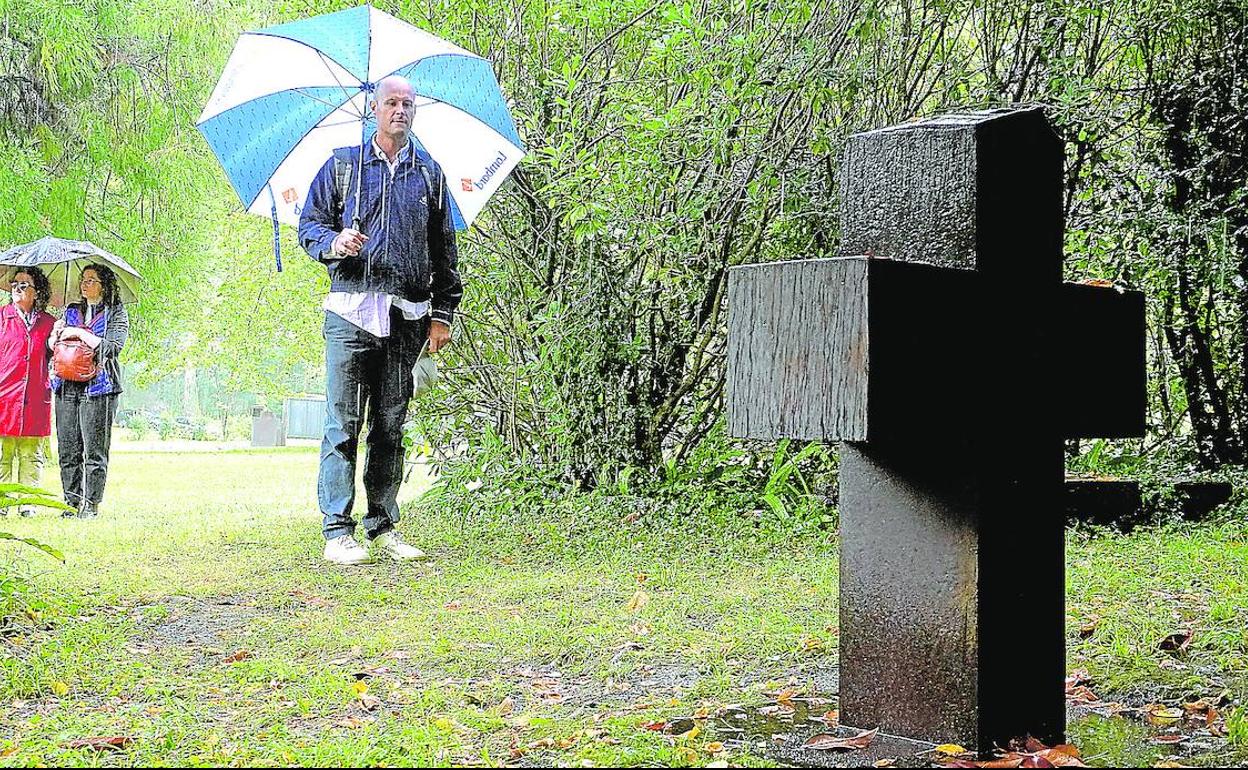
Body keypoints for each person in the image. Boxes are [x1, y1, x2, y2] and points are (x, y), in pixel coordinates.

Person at [298, 75, 461, 566]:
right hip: (350, 312)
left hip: (407, 316)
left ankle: (383, 525)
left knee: (391, 424)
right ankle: (336, 530)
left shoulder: (429, 175)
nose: (400, 111)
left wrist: (442, 314)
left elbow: (445, 251)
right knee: (343, 422)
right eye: (392, 102)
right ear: (374, 108)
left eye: (408, 104)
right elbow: (309, 225)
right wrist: (334, 244)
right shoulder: (342, 167)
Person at [50, 264, 130, 519]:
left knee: (94, 450)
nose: (85, 284)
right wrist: (57, 334)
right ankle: (70, 504)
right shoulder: (71, 311)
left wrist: (78, 333)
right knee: (68, 448)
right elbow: (53, 347)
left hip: (100, 388)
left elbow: (113, 347)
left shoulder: (116, 313)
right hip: (67, 386)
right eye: (84, 280)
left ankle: (91, 504)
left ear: (104, 285)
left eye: (92, 280)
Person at [0, 268, 56, 516]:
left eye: (24, 284)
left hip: (35, 397)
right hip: (4, 397)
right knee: (3, 453)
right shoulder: (2, 318)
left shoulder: (50, 323)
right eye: (15, 284)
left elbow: (58, 357)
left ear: (37, 292)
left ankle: (28, 505)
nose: (17, 288)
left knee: (31, 455)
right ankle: (3, 503)